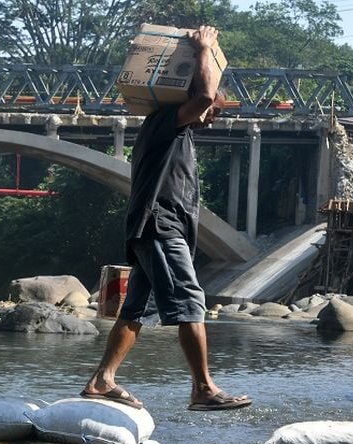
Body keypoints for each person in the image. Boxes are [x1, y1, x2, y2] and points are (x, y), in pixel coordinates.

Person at [81, 25, 252, 412]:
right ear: (191, 100)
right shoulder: (165, 123)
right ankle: (203, 389)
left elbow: (206, 98)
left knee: (136, 309)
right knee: (191, 300)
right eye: (212, 111)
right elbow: (206, 92)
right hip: (160, 227)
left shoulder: (178, 134)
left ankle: (101, 380)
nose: (212, 116)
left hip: (155, 228)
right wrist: (204, 49)